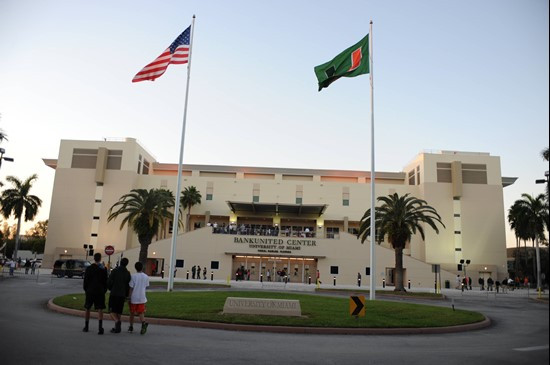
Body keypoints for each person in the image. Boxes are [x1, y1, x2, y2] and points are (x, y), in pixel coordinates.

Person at [83, 253, 108, 334]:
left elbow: (85, 280)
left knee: (87, 308)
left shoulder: (89, 268)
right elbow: (105, 281)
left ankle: (86, 326)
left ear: (94, 258)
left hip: (90, 290)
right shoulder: (103, 269)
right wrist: (104, 290)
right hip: (100, 291)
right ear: (100, 259)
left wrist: (86, 289)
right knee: (100, 309)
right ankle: (100, 328)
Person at [107, 257, 131, 334]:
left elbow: (109, 281)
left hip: (114, 293)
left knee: (111, 310)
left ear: (120, 262)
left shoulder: (115, 271)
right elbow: (128, 285)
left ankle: (117, 322)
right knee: (119, 311)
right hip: (122, 294)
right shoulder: (127, 273)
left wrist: (110, 288)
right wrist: (127, 295)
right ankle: (117, 327)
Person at [128, 261, 150, 335]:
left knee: (132, 313)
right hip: (142, 297)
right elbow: (146, 286)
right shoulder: (146, 276)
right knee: (141, 312)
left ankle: (131, 327)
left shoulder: (133, 276)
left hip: (134, 298)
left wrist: (129, 297)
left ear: (135, 268)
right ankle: (143, 323)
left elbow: (131, 287)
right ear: (142, 268)